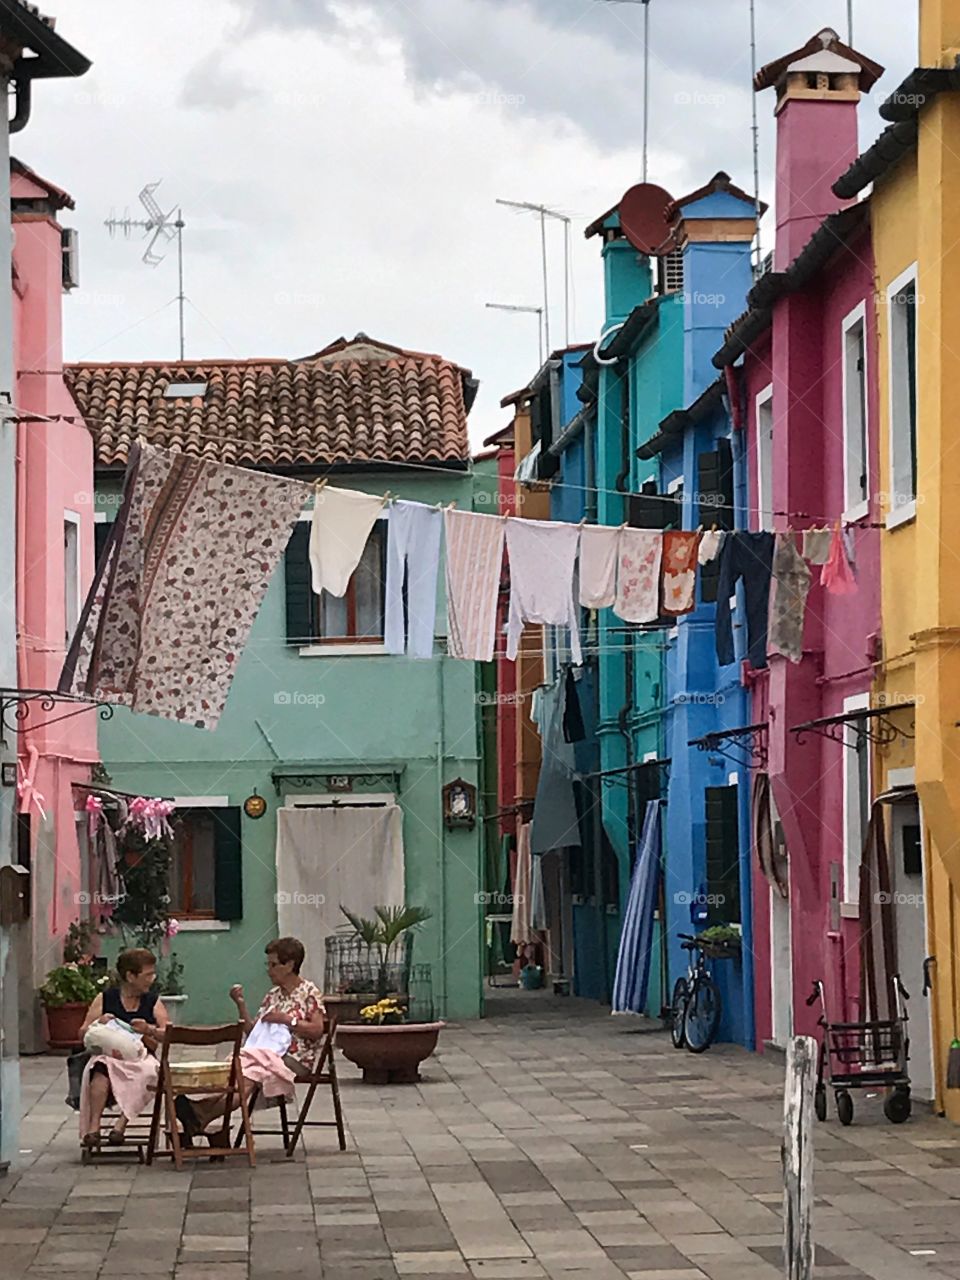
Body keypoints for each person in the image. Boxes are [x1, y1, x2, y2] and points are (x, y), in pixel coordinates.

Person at [177, 936, 325, 1143]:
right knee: (240, 1077)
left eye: (274, 965)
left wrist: (288, 1020)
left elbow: (318, 1029)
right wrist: (241, 1004)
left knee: (243, 1079)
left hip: (295, 1057)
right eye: (268, 964)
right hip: (264, 1053)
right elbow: (253, 1032)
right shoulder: (273, 995)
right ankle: (201, 1118)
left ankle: (200, 1114)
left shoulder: (309, 992)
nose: (269, 970)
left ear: (290, 965)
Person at [77, 947, 170, 1148]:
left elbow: (168, 1033)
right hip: (110, 1056)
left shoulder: (152, 1001)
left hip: (141, 1058)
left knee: (149, 1073)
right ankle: (94, 1128)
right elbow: (83, 1033)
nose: (152, 979)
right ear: (130, 976)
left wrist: (149, 1030)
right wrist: (99, 1024)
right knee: (101, 1068)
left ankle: (120, 1125)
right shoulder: (106, 999)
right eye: (148, 975)